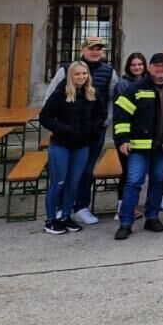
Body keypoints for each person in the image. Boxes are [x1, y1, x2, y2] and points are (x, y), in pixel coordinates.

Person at [113, 53, 163, 240]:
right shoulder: (136, 88)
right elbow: (121, 114)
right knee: (133, 182)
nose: (160, 69)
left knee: (158, 181)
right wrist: (123, 139)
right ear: (150, 68)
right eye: (157, 66)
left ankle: (152, 217)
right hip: (138, 147)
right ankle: (126, 222)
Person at [45, 35, 117, 227]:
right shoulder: (65, 70)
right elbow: (49, 98)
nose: (95, 52)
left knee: (85, 171)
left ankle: (80, 207)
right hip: (65, 133)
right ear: (82, 50)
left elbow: (112, 100)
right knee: (63, 174)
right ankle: (60, 210)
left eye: (98, 49)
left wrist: (104, 122)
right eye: (91, 48)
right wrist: (54, 126)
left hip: (93, 132)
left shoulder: (109, 72)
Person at [40, 61, 106, 234]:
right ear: (71, 75)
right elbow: (45, 117)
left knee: (74, 182)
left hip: (82, 145)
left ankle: (66, 216)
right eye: (77, 74)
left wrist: (91, 128)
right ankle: (51, 220)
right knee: (59, 182)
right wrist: (63, 129)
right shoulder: (60, 93)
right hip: (61, 144)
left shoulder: (92, 93)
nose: (81, 77)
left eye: (84, 73)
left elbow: (102, 114)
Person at [113, 53, 147, 205]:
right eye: (133, 65)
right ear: (128, 66)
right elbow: (121, 112)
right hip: (127, 134)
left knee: (138, 174)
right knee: (128, 172)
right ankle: (122, 206)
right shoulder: (122, 85)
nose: (137, 67)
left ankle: (133, 205)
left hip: (143, 135)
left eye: (140, 64)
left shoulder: (148, 83)